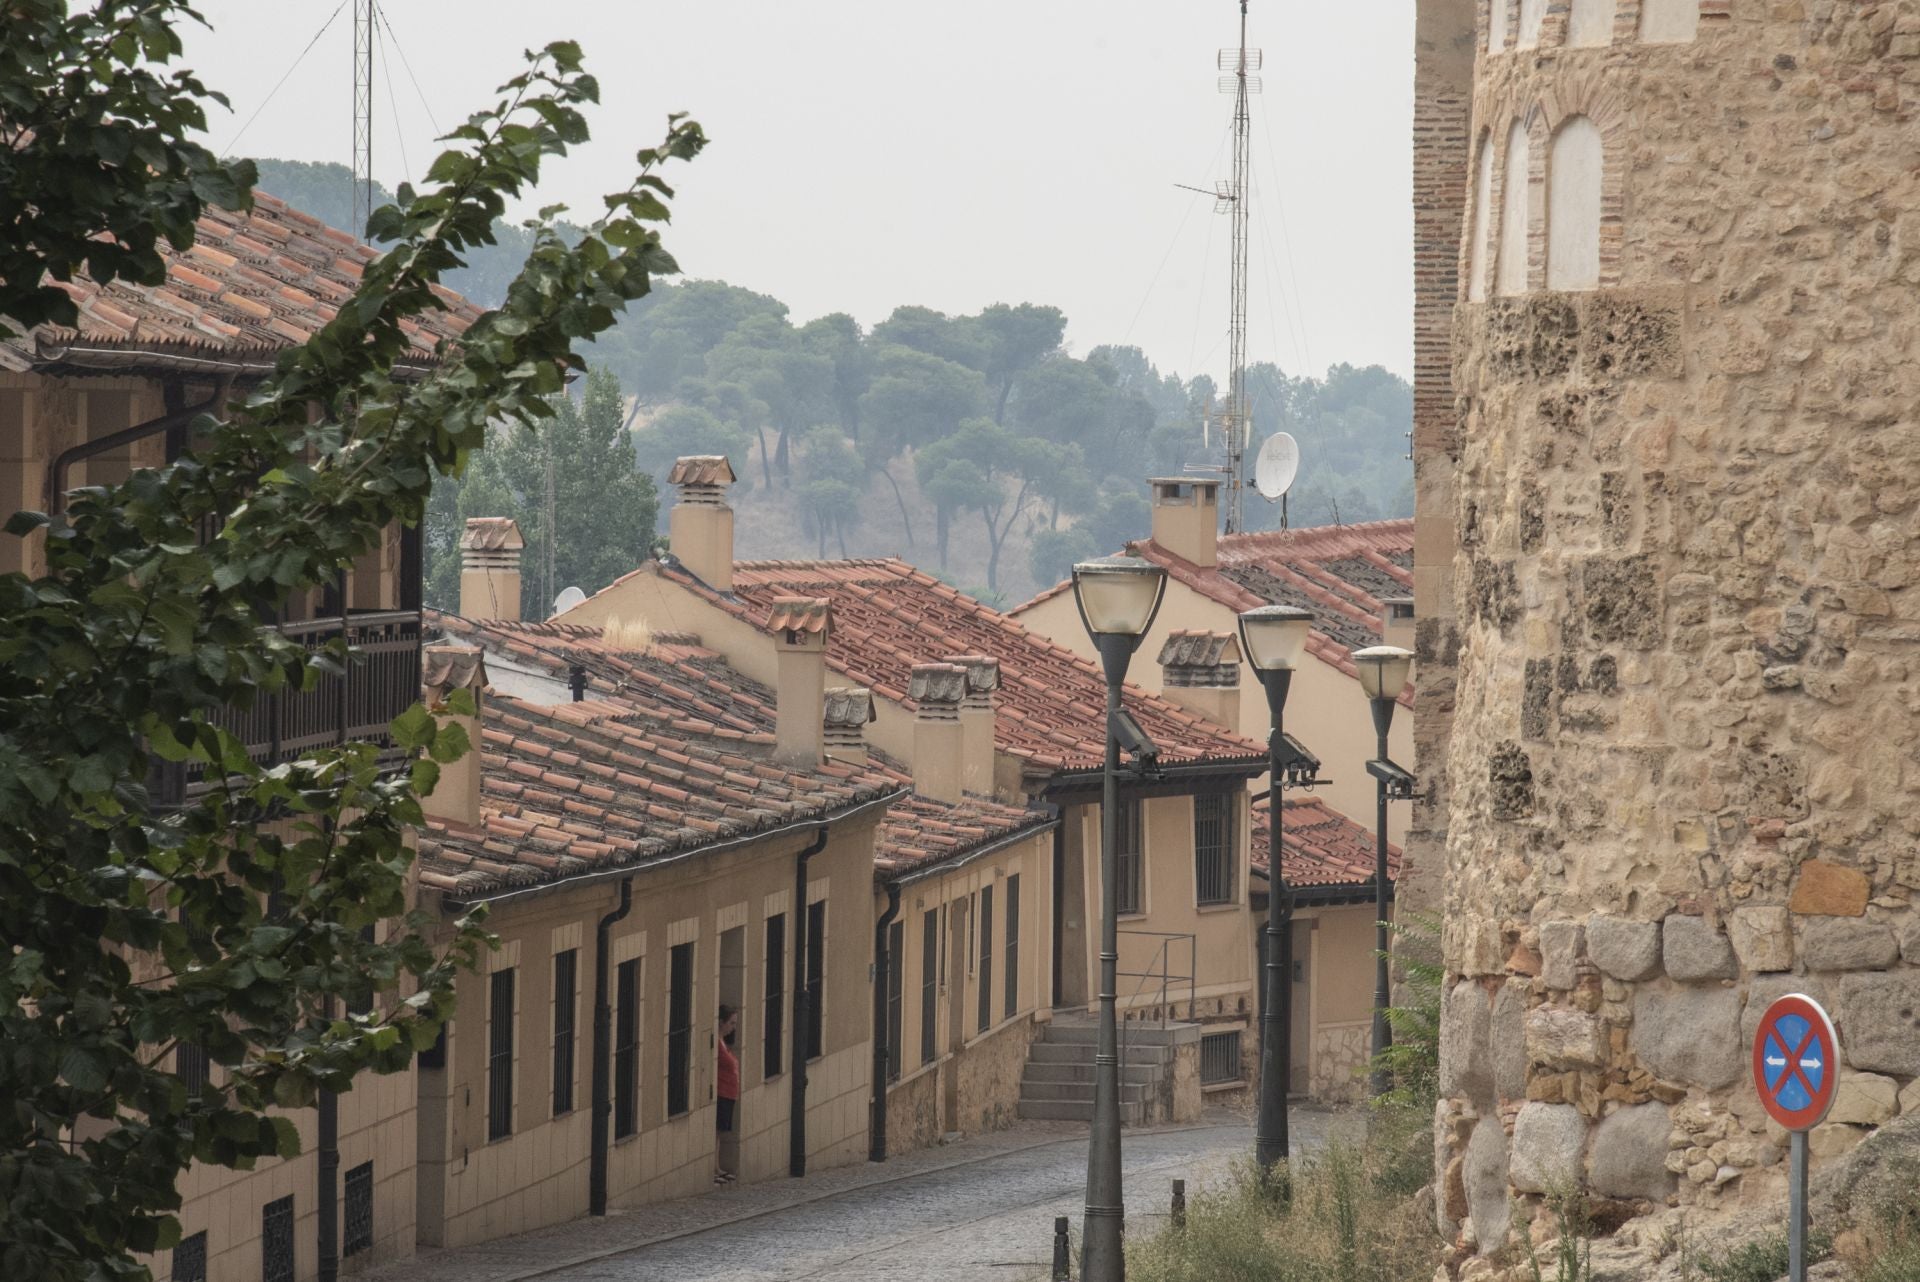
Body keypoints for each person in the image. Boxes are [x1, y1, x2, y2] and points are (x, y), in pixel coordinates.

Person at [715, 1004, 740, 1185]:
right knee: (717, 1133)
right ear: (721, 1022)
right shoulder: (717, 1043)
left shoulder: (723, 1042)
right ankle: (715, 1168)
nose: (733, 1027)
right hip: (722, 1092)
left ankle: (718, 1167)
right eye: (731, 1022)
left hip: (728, 1092)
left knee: (721, 1133)